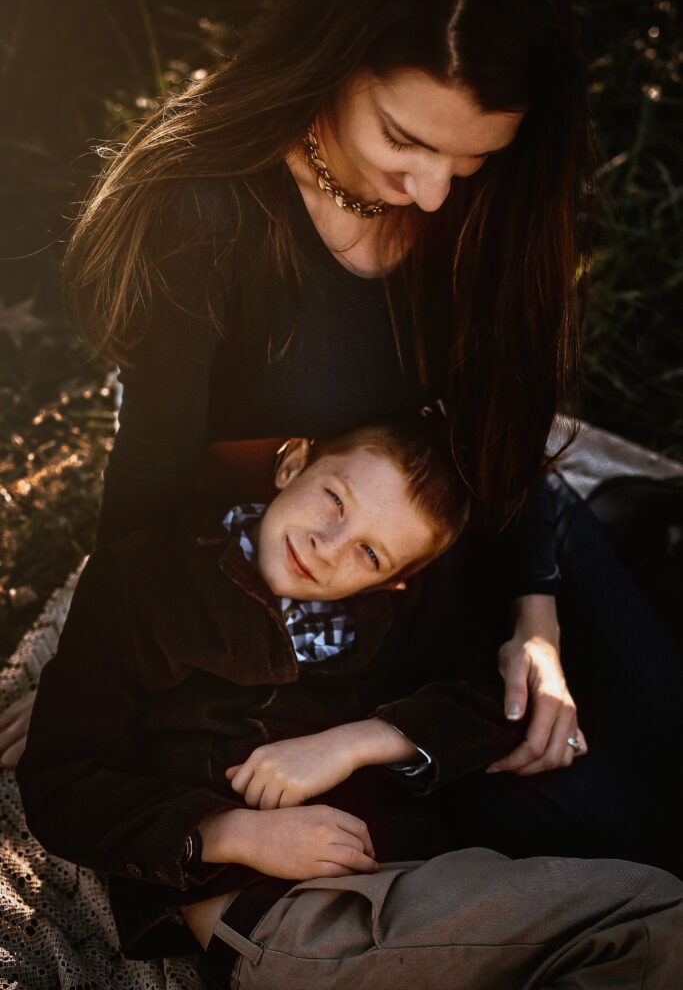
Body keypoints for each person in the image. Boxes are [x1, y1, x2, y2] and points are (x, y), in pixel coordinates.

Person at [3, 0, 681, 875]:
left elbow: (500, 418)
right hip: (334, 580)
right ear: (334, 60)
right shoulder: (207, 206)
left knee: (662, 783)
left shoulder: (491, 206)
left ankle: (624, 528)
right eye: (405, 140)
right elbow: (156, 453)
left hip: (476, 519)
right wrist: (99, 651)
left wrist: (535, 619)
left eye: (472, 158)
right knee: (578, 834)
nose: (436, 192)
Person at [16, 422, 683, 989]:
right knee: (653, 921)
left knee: (646, 919)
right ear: (291, 463)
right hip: (280, 915)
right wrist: (231, 832)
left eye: (367, 550)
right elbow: (61, 780)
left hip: (418, 873)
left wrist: (357, 740)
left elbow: (481, 696)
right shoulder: (143, 581)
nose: (327, 547)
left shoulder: (384, 610)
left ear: (394, 577)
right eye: (333, 500)